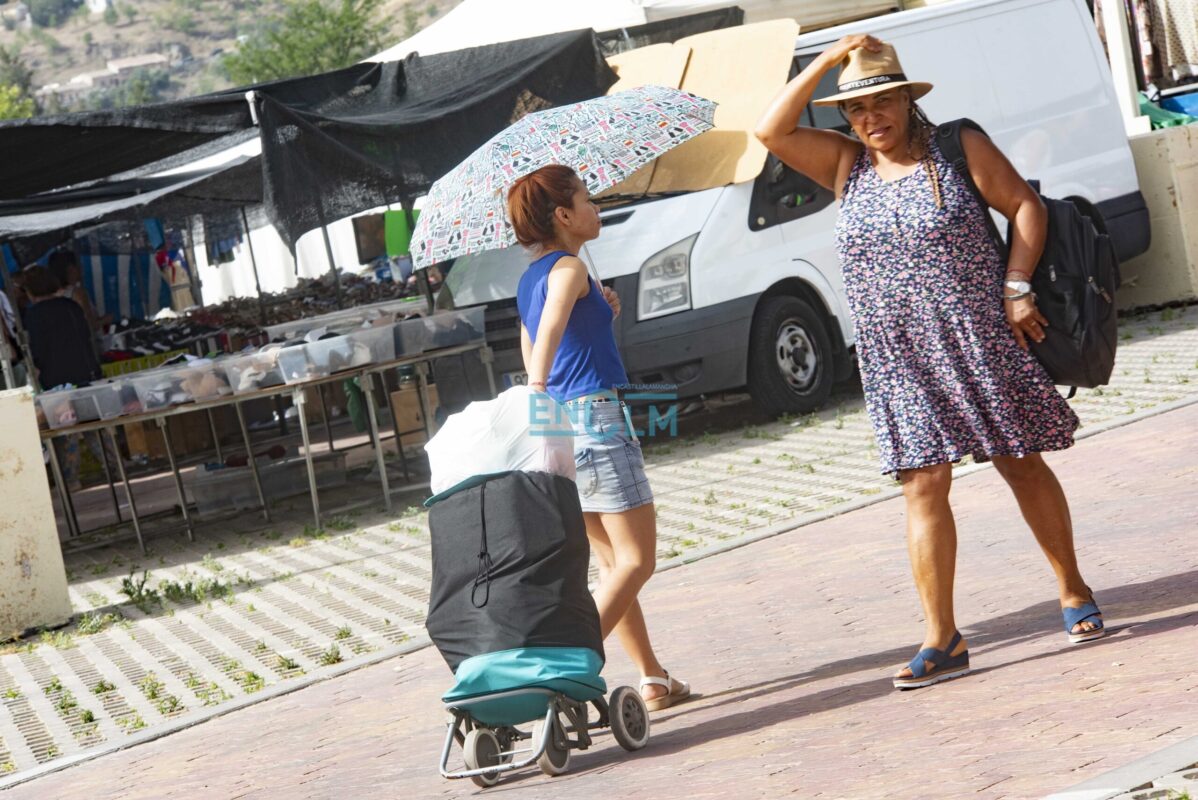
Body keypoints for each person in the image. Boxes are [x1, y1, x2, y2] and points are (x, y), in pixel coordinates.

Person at [755, 37, 1105, 689]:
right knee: (922, 485)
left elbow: (1024, 206)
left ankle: (1073, 589)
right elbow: (769, 129)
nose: (869, 119)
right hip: (898, 357)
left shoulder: (955, 145)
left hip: (977, 336)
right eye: (855, 109)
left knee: (1020, 462)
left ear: (907, 101)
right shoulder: (844, 165)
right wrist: (825, 63)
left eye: (881, 101)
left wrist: (1018, 285)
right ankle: (942, 636)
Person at [510, 164, 690, 710]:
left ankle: (653, 676)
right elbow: (547, 340)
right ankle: (567, 667)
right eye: (587, 199)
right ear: (563, 215)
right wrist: (538, 384)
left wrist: (598, 313)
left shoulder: (533, 277)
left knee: (613, 564)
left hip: (559, 424)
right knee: (638, 560)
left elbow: (536, 340)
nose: (597, 208)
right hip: (595, 417)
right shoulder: (567, 268)